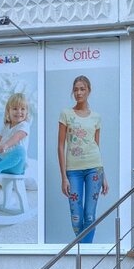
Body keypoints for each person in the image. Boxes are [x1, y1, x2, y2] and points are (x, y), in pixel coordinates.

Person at [58, 75, 108, 243]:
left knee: (90, 215)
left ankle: (84, 252)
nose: (78, 93)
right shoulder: (66, 114)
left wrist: (104, 176)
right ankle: (85, 250)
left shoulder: (96, 117)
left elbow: (97, 146)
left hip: (95, 169)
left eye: (82, 89)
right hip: (73, 171)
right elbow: (60, 146)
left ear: (89, 91)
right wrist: (63, 177)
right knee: (76, 216)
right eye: (76, 89)